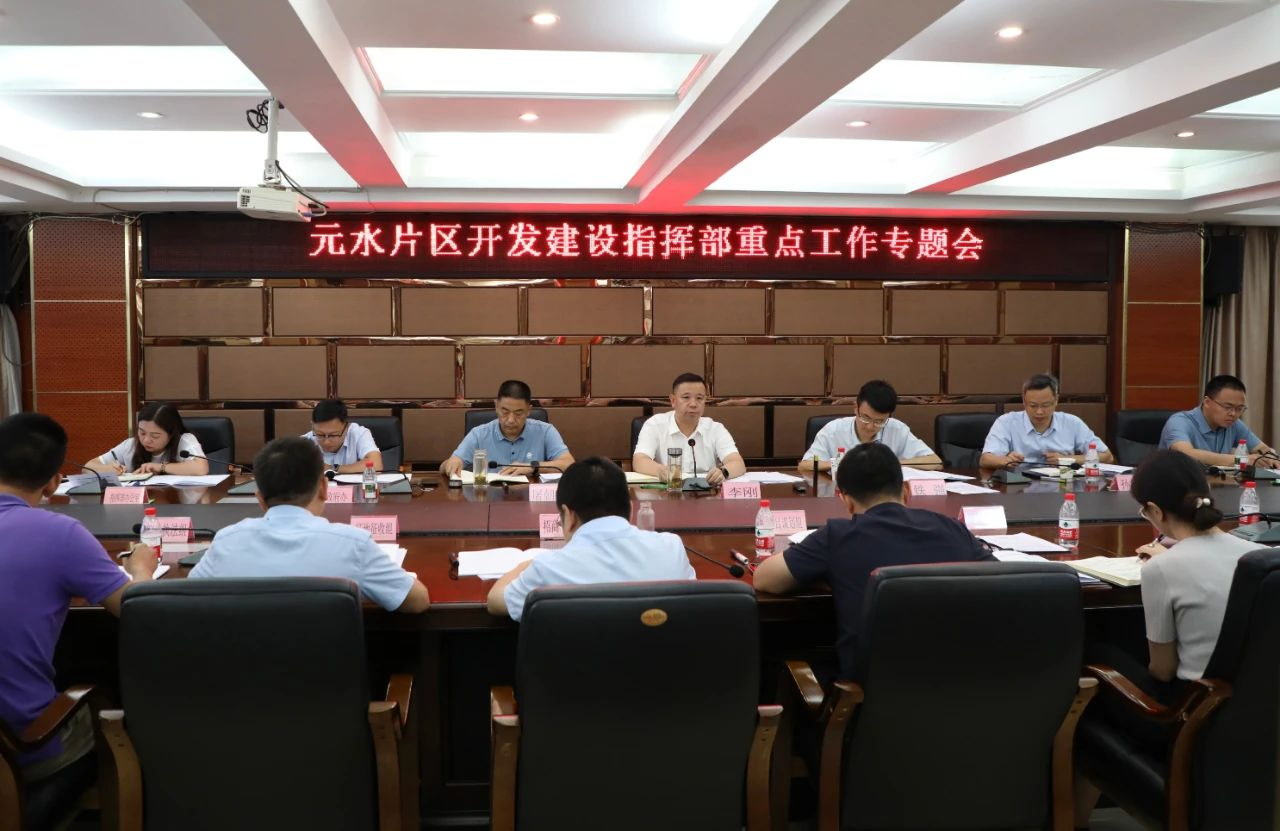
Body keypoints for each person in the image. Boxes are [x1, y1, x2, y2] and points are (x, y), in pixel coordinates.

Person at [1074, 450, 1257, 822]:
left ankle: (1072, 818)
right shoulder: (1259, 556)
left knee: (1095, 661)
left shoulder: (1163, 568)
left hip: (1191, 719)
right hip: (1257, 710)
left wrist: (1163, 563)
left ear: (1155, 511)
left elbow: (1162, 670)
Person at [0, 414, 157, 824]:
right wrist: (141, 569)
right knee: (105, 707)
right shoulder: (59, 533)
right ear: (54, 482)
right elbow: (141, 612)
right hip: (20, 746)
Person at [753, 442, 995, 680]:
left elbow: (764, 579)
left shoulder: (837, 536)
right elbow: (1005, 580)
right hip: (964, 685)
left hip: (870, 695)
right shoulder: (953, 528)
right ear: (906, 491)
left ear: (846, 501)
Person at [190, 437, 429, 613]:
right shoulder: (353, 545)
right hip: (328, 670)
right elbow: (418, 601)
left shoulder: (226, 542)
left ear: (260, 499)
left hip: (245, 668)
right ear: (324, 488)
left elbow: (187, 600)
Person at [487, 457, 695, 620]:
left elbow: (495, 600)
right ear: (631, 509)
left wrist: (526, 565)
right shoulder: (671, 548)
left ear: (568, 516)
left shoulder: (549, 569)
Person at [798, 379, 940, 472]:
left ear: (889, 416)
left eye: (879, 421)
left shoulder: (897, 429)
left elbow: (934, 461)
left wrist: (892, 463)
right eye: (865, 418)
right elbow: (806, 465)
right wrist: (840, 464)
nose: (871, 427)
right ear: (856, 408)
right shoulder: (833, 430)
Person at [632, 373, 746, 486]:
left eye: (699, 398)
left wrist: (723, 472)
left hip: (706, 493)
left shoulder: (715, 429)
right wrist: (659, 470)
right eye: (686, 397)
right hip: (667, 490)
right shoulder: (654, 425)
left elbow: (737, 462)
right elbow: (639, 460)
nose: (693, 404)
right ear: (673, 400)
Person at [441, 380, 573, 477]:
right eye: (505, 412)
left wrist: (532, 467)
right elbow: (445, 466)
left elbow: (569, 464)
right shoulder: (479, 434)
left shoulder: (545, 431)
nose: (510, 420)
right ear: (496, 406)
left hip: (531, 500)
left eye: (518, 413)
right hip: (489, 500)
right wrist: (452, 464)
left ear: (529, 410)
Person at [980, 373, 1113, 468]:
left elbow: (1107, 456)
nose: (1039, 412)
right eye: (1033, 405)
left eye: (1045, 405)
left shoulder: (1072, 423)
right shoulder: (1007, 422)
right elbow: (985, 459)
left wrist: (1066, 459)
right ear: (1024, 402)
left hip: (1062, 486)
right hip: (1020, 487)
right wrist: (1006, 460)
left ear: (1056, 400)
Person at [1160, 374, 1278, 469]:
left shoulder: (1234, 424)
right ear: (1207, 402)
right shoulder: (1180, 422)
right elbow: (1185, 454)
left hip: (1217, 485)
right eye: (1227, 407)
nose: (1233, 414)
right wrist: (1242, 460)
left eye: (1239, 409)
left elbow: (1261, 448)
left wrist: (1271, 458)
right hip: (1176, 486)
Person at [84, 401, 208, 476]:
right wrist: (108, 469)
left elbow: (201, 468)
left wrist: (160, 467)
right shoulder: (130, 445)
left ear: (171, 434)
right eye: (142, 433)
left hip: (177, 505)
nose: (146, 440)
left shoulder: (184, 440)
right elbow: (87, 468)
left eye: (155, 436)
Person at [303, 399, 383, 475]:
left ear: (346, 426)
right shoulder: (305, 442)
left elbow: (376, 465)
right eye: (320, 435)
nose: (326, 442)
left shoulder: (359, 433)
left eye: (333, 435)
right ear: (312, 425)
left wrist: (332, 468)